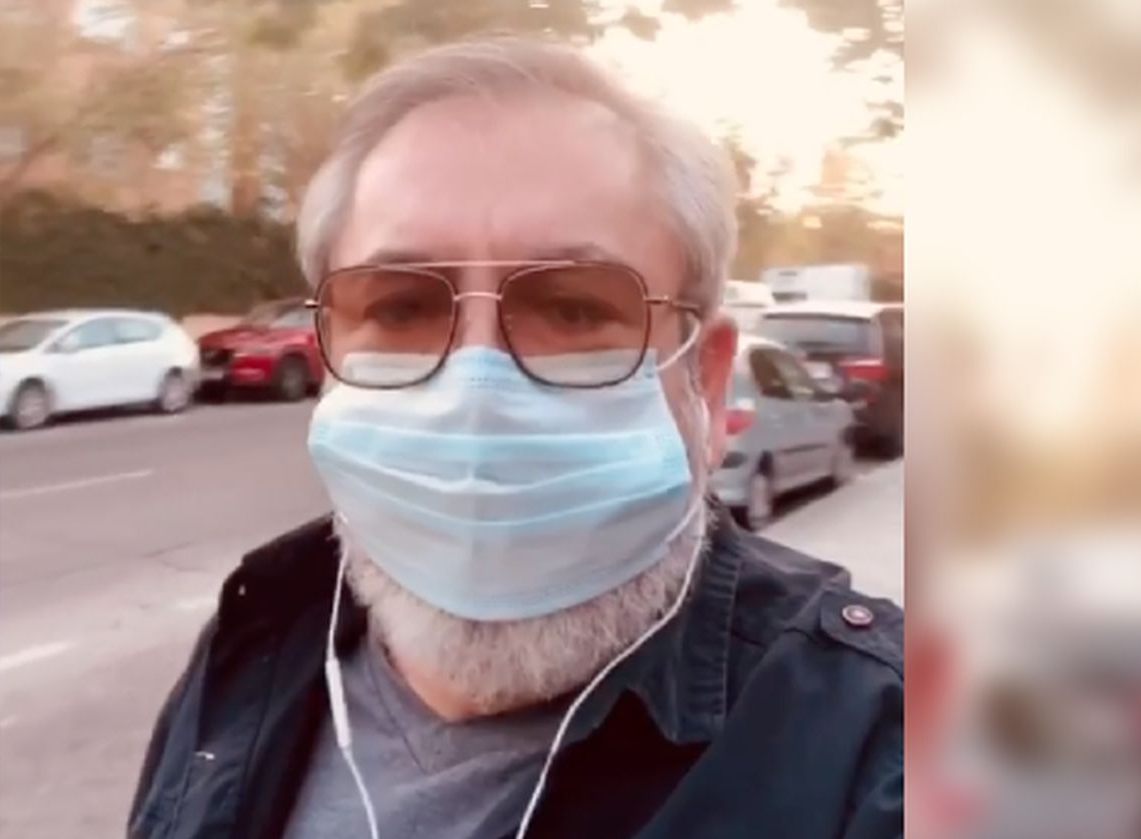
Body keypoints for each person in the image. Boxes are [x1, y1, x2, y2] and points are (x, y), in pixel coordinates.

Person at [131, 39, 902, 839]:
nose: (476, 392)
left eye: (573, 309)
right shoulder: (250, 646)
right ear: (331, 363)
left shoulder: (884, 751)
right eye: (400, 308)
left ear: (704, 382)